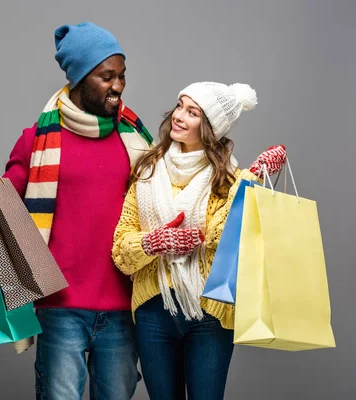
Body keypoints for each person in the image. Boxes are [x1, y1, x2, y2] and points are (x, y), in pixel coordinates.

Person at [0, 22, 153, 399]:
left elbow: (172, 192)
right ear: (81, 77)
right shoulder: (38, 139)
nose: (118, 85)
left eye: (122, 75)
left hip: (123, 307)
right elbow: (6, 206)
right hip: (60, 308)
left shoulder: (136, 139)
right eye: (107, 76)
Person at [111, 81, 287, 399]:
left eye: (192, 112)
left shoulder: (231, 180)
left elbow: (225, 243)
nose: (179, 116)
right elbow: (121, 251)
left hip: (210, 314)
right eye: (180, 106)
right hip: (153, 312)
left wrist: (254, 180)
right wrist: (155, 243)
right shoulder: (146, 172)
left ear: (209, 127)